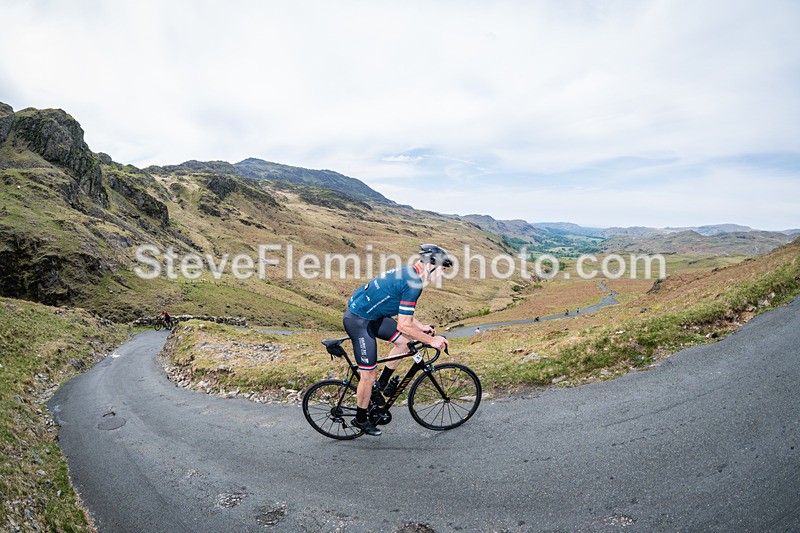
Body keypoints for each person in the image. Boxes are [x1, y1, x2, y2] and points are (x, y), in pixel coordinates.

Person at [343, 244, 452, 436]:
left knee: (403, 343)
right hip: (358, 321)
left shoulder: (409, 272)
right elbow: (403, 326)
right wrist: (431, 340)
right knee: (368, 375)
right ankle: (360, 419)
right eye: (442, 270)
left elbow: (401, 308)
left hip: (373, 316)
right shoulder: (414, 283)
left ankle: (381, 386)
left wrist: (420, 327)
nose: (442, 275)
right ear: (431, 265)